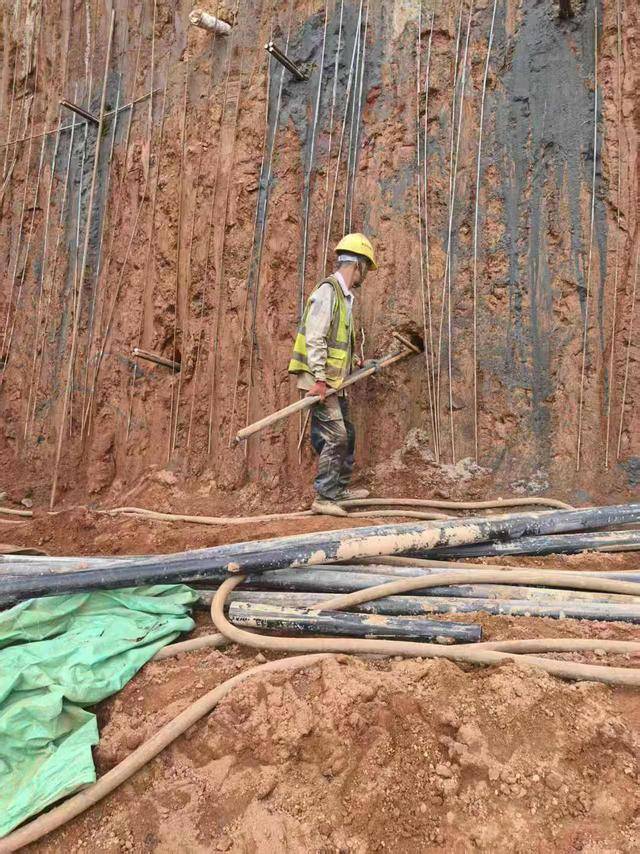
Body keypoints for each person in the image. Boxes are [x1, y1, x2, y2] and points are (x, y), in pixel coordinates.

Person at [288, 233, 378, 516]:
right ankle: (324, 497)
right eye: (366, 269)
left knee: (347, 433)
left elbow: (336, 340)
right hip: (319, 381)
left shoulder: (344, 297)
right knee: (335, 436)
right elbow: (315, 338)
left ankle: (338, 488)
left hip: (332, 380)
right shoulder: (328, 292)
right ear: (358, 265)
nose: (365, 276)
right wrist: (318, 380)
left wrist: (355, 361)